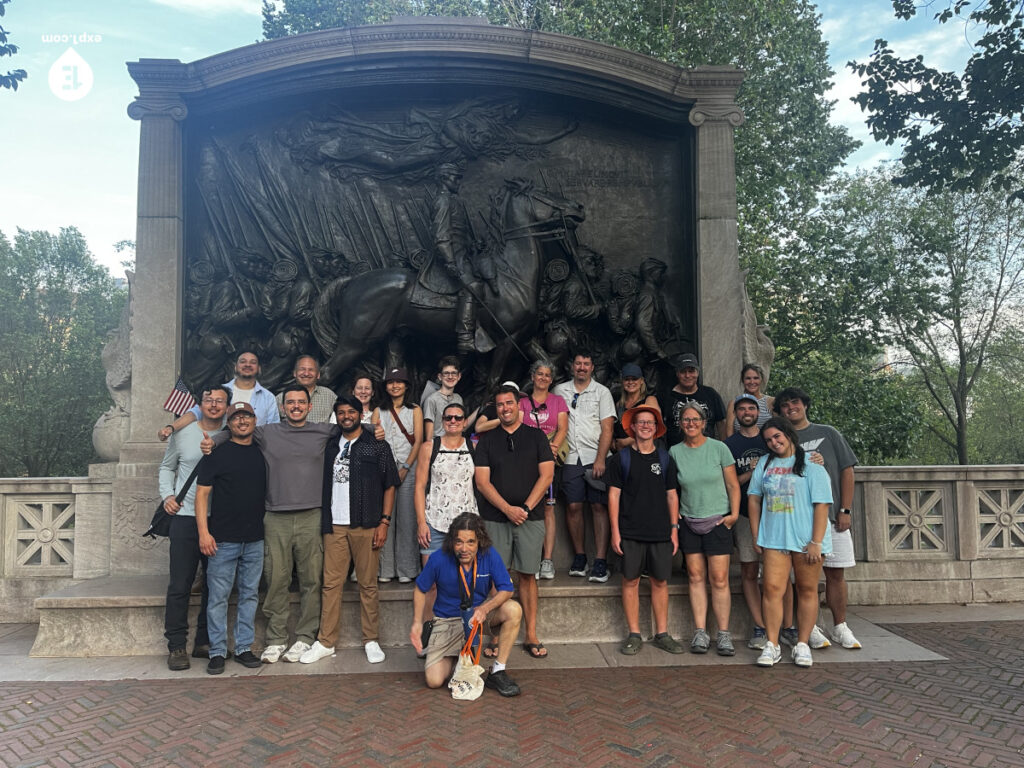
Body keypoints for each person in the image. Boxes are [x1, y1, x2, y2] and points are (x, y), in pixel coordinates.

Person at [202, 384, 337, 664]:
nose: (296, 406)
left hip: (311, 514)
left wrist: (376, 430)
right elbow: (235, 429)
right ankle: (276, 638)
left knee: (312, 579)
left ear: (309, 406)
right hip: (275, 516)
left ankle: (304, 637)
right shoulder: (267, 433)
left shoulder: (323, 431)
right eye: (291, 402)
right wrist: (215, 440)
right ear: (282, 407)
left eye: (301, 402)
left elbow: (352, 426)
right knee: (276, 579)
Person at [300, 396, 401, 665]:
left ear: (360, 415)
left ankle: (371, 639)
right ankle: (326, 641)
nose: (347, 416)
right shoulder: (330, 445)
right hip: (335, 525)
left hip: (367, 524)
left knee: (368, 585)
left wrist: (384, 522)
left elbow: (390, 484)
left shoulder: (376, 445)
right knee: (331, 585)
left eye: (351, 412)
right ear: (337, 416)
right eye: (342, 412)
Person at [775, 387, 862, 650]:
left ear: (805, 404)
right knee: (803, 579)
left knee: (836, 574)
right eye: (785, 405)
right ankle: (809, 627)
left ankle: (840, 626)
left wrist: (844, 510)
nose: (792, 408)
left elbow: (847, 471)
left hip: (832, 518)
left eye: (796, 402)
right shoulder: (779, 440)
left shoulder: (828, 433)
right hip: (797, 522)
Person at [474, 384, 554, 659]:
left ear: (518, 405)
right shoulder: (487, 440)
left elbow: (546, 476)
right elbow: (482, 482)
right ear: (496, 409)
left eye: (509, 403)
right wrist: (508, 509)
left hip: (530, 519)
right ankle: (496, 634)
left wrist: (525, 507)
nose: (505, 408)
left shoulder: (536, 437)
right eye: (500, 405)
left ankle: (530, 633)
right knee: (498, 579)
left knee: (528, 576)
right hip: (496, 518)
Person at [748, 417, 833, 668]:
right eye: (769, 440)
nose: (774, 443)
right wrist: (756, 534)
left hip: (807, 540)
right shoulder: (764, 464)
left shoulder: (812, 464)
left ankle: (803, 644)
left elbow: (821, 505)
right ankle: (772, 645)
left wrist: (816, 541)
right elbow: (754, 499)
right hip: (775, 539)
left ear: (788, 434)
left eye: (777, 436)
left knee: (807, 590)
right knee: (773, 590)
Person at [410, 513, 523, 697]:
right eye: (459, 542)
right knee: (434, 681)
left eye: (470, 542)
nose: (464, 548)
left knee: (513, 609)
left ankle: (498, 671)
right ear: (452, 541)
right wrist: (417, 622)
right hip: (447, 622)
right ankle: (460, 658)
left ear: (479, 542)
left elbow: (507, 589)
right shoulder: (439, 558)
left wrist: (485, 608)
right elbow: (420, 589)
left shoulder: (489, 555)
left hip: (477, 619)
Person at [194, 401, 267, 674]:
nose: (242, 422)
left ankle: (244, 648)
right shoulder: (216, 454)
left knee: (249, 595)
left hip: (255, 539)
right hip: (222, 539)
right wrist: (204, 532)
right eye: (236, 418)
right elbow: (202, 495)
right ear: (230, 422)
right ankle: (216, 651)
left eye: (246, 416)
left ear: (254, 420)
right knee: (218, 598)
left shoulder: (262, 453)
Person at [158, 384, 226, 670]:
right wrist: (167, 496)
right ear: (200, 404)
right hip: (185, 517)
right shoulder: (183, 432)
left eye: (219, 401)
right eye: (208, 400)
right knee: (180, 584)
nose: (213, 405)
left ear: (227, 406)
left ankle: (204, 641)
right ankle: (176, 645)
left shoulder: (233, 434)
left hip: (220, 520)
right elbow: (167, 466)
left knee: (215, 585)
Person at [607, 405, 684, 656]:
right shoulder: (621, 459)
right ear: (633, 427)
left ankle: (662, 633)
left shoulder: (665, 459)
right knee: (629, 582)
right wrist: (615, 532)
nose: (645, 426)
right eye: (641, 422)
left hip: (660, 531)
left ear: (657, 428)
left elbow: (672, 496)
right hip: (630, 530)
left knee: (660, 582)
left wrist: (674, 529)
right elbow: (614, 497)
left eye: (650, 422)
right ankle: (634, 633)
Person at [669, 404, 741, 655]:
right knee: (695, 577)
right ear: (681, 424)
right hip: (690, 521)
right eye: (686, 419)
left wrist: (733, 515)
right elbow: (672, 488)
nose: (690, 423)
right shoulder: (674, 452)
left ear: (703, 422)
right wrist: (675, 515)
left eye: (695, 419)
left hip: (718, 521)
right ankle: (700, 632)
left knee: (719, 579)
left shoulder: (719, 448)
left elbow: (733, 485)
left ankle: (723, 634)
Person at [553, 351, 616, 582]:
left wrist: (601, 458)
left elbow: (607, 428)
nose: (581, 367)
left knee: (599, 507)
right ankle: (580, 556)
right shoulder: (560, 391)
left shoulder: (603, 392)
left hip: (595, 457)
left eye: (586, 363)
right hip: (570, 458)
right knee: (573, 506)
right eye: (578, 363)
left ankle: (600, 561)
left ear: (592, 367)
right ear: (572, 366)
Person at [723, 394, 773, 650]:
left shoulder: (771, 439)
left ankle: (784, 625)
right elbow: (729, 483)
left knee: (779, 574)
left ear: (758, 411)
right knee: (749, 571)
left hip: (775, 515)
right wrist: (752, 472)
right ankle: (759, 625)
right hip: (743, 514)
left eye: (751, 407)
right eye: (741, 408)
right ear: (736, 414)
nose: (746, 412)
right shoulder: (729, 445)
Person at [518, 360, 568, 580]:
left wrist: (552, 448)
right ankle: (530, 559)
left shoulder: (558, 401)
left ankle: (547, 559)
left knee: (548, 509)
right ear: (532, 377)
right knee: (528, 507)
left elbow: (562, 427)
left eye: (548, 375)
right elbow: (518, 428)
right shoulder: (522, 403)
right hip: (526, 461)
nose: (543, 378)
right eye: (540, 374)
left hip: (549, 460)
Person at [373, 367, 423, 584]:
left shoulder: (415, 410)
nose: (395, 386)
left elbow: (419, 440)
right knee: (385, 518)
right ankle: (385, 568)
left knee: (407, 519)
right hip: (382, 469)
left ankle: (407, 568)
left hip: (408, 467)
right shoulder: (378, 411)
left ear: (406, 386)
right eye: (390, 382)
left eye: (399, 382)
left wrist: (405, 467)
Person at [159, 350, 280, 439]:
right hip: (219, 449)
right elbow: (195, 413)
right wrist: (171, 427)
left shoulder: (268, 397)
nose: (247, 365)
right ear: (235, 367)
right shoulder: (220, 391)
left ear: (259, 368)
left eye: (252, 362)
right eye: (243, 362)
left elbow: (273, 431)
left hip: (255, 452)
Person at [664, 353, 726, 444]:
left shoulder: (711, 394)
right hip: (677, 453)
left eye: (691, 371)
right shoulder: (667, 397)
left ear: (698, 372)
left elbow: (721, 424)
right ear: (677, 373)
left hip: (707, 452)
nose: (687, 375)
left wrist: (723, 448)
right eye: (683, 371)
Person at [613, 362, 661, 451]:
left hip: (645, 452)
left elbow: (656, 429)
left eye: (634, 379)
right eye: (627, 379)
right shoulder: (619, 405)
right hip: (624, 455)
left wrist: (627, 442)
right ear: (622, 382)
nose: (630, 382)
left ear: (641, 381)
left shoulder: (649, 400)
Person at [275, 355, 337, 423]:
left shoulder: (329, 396)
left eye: (311, 370)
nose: (306, 373)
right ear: (294, 373)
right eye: (302, 369)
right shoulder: (281, 398)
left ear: (318, 374)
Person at [724, 364, 774, 437]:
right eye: (748, 378)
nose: (752, 382)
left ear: (761, 380)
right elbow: (729, 433)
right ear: (742, 380)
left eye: (756, 378)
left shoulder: (770, 402)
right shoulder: (734, 403)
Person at [422, 356, 465, 439]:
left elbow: (462, 425)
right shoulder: (431, 400)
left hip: (455, 445)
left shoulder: (458, 398)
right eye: (446, 373)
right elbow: (429, 437)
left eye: (454, 373)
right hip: (438, 445)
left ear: (459, 376)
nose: (450, 377)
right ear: (440, 376)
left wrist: (481, 408)